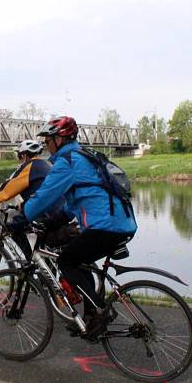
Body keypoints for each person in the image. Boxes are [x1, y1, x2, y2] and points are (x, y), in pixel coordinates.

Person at [23, 116, 137, 340]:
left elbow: (44, 195)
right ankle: (91, 316)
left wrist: (23, 216)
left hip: (105, 226)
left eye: (48, 139)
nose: (46, 143)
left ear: (60, 138)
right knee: (81, 262)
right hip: (121, 222)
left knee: (66, 261)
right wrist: (58, 218)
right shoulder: (84, 155)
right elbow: (83, 198)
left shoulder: (67, 160)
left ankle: (101, 310)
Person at [0, 140, 69, 260]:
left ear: (24, 155)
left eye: (19, 156)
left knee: (13, 227)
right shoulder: (45, 165)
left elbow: (8, 188)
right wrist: (24, 204)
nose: (19, 159)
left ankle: (30, 261)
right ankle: (43, 270)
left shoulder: (30, 166)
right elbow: (40, 189)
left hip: (45, 211)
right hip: (61, 210)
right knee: (47, 248)